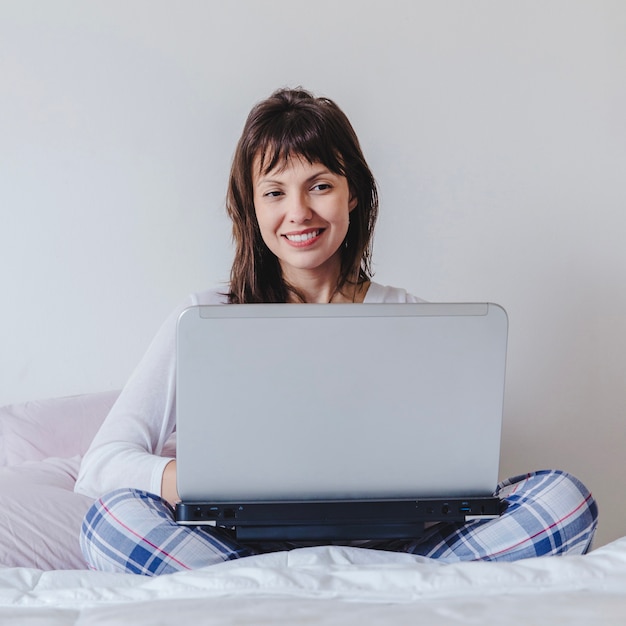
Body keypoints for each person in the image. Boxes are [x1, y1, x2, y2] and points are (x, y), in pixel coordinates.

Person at [75, 88, 598, 576]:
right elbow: (102, 464)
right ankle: (380, 592)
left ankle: (317, 590)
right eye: (274, 192)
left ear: (352, 195)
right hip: (238, 550)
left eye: (320, 186)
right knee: (111, 521)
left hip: (400, 546)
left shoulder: (411, 317)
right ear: (252, 208)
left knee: (564, 500)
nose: (298, 212)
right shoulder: (205, 317)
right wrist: (193, 482)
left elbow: (453, 468)